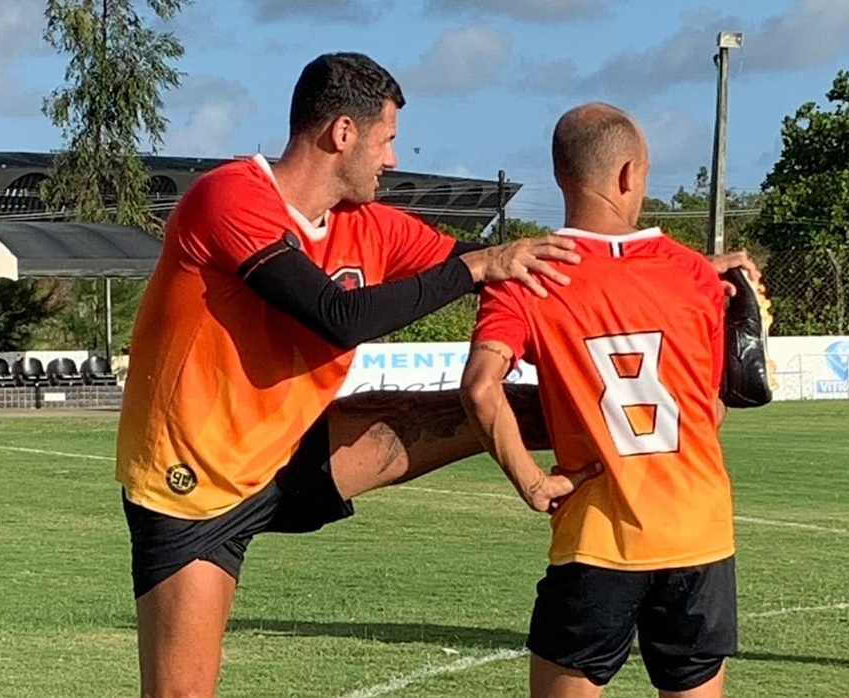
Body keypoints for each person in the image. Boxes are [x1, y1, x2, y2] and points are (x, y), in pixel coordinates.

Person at [116, 51, 588, 698]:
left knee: (529, 406)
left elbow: (520, 280)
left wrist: (690, 279)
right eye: (387, 140)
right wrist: (474, 268)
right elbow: (336, 316)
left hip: (298, 448)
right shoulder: (228, 197)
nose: (392, 159)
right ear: (343, 133)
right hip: (191, 485)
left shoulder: (369, 226)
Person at [461, 103, 738, 698]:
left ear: (562, 176)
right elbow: (709, 410)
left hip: (597, 536)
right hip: (699, 534)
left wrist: (533, 481)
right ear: (629, 175)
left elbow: (481, 389)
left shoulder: (526, 276)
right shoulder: (695, 275)